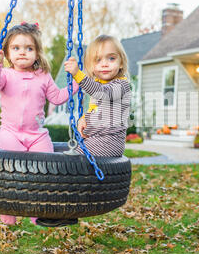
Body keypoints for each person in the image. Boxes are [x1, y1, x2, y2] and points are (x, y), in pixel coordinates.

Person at [35, 34, 131, 227]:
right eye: (98, 60)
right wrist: (84, 118)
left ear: (121, 63)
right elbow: (98, 109)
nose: (104, 64)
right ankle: (64, 208)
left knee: (68, 166)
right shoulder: (102, 85)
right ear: (92, 65)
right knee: (70, 165)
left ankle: (65, 210)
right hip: (96, 141)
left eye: (111, 58)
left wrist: (78, 74)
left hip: (108, 143)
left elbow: (100, 94)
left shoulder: (121, 85)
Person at [0, 22, 79, 226]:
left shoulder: (43, 76)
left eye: (29, 48)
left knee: (44, 171)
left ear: (37, 53)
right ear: (7, 53)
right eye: (16, 48)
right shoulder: (5, 74)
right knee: (17, 170)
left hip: (37, 134)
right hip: (10, 133)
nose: (22, 52)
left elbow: (57, 97)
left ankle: (37, 214)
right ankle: (8, 212)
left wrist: (76, 83)